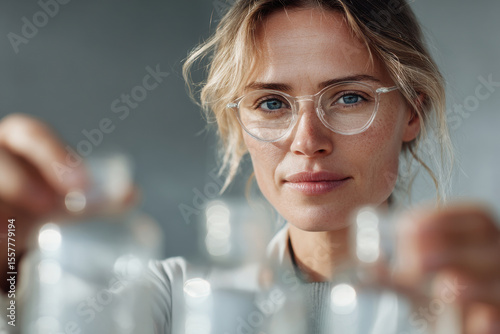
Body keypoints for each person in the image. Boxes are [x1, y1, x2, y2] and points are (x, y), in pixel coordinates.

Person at [1, 0, 499, 333]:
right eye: (272, 104)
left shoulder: (466, 304)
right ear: (237, 125)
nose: (308, 141)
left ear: (413, 113)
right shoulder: (168, 303)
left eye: (348, 97)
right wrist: (7, 267)